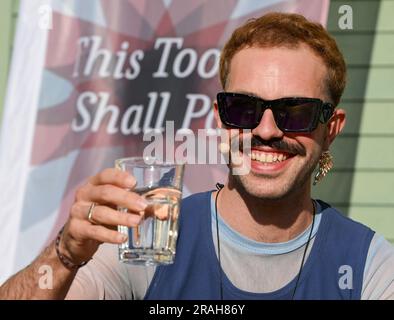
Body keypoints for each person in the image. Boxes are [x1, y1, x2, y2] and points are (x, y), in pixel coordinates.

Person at [1, 12, 393, 300]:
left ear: (332, 128)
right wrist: (65, 255)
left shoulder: (368, 266)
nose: (267, 131)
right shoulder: (152, 242)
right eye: (243, 109)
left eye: (297, 113)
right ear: (221, 119)